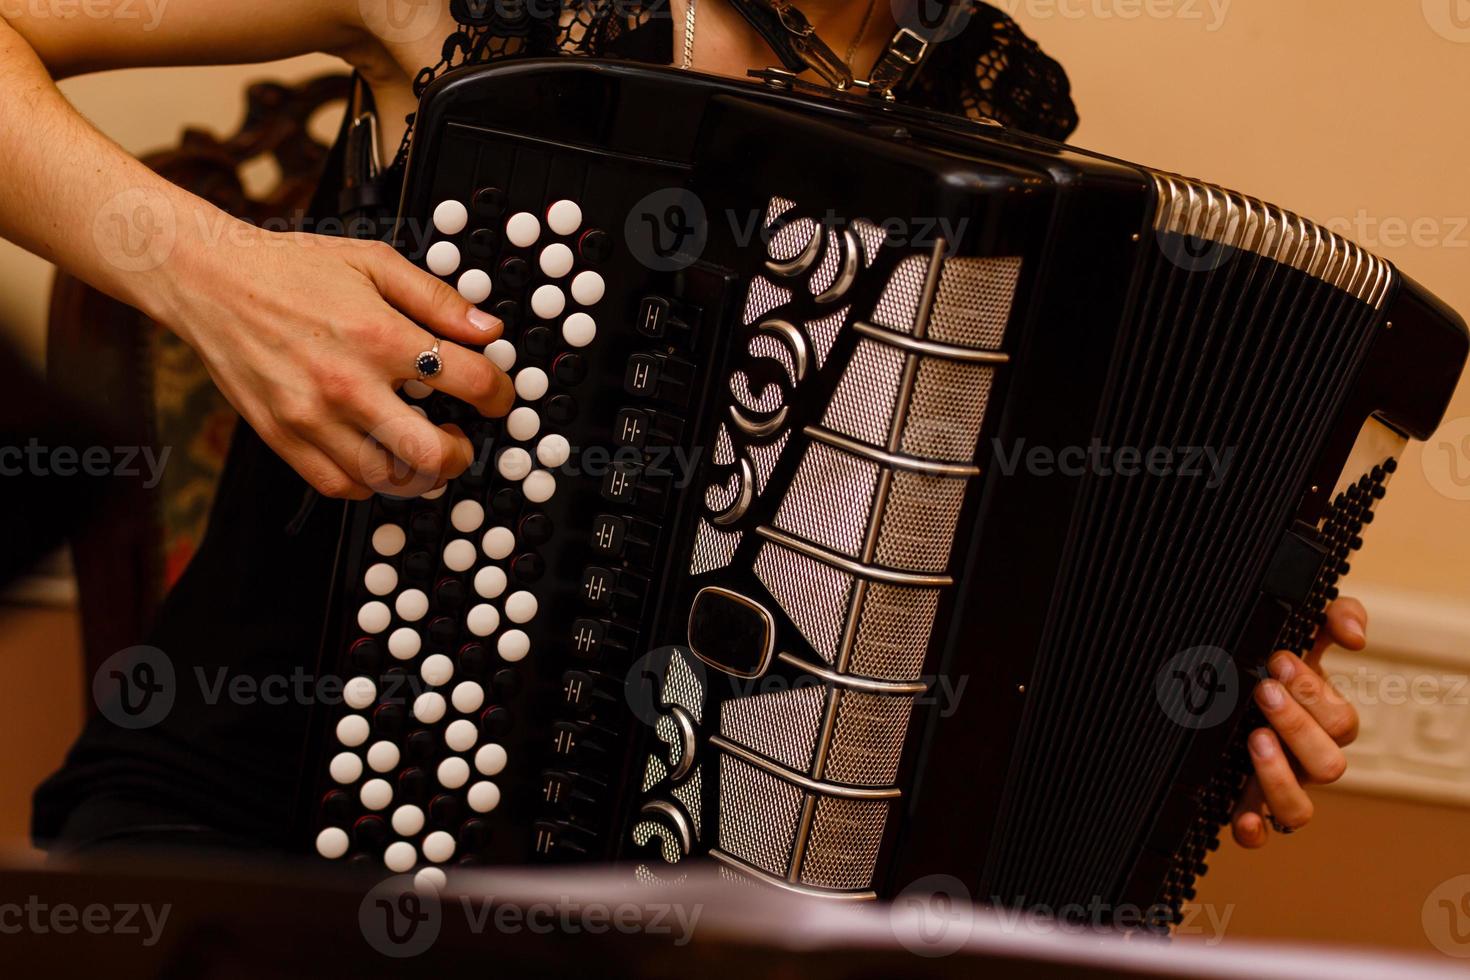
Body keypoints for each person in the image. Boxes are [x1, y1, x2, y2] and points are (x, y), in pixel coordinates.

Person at [9, 0, 1358, 855]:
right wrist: (216, 272)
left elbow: (947, 563)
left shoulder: (996, 103)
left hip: (713, 912)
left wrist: (1174, 695)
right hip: (261, 827)